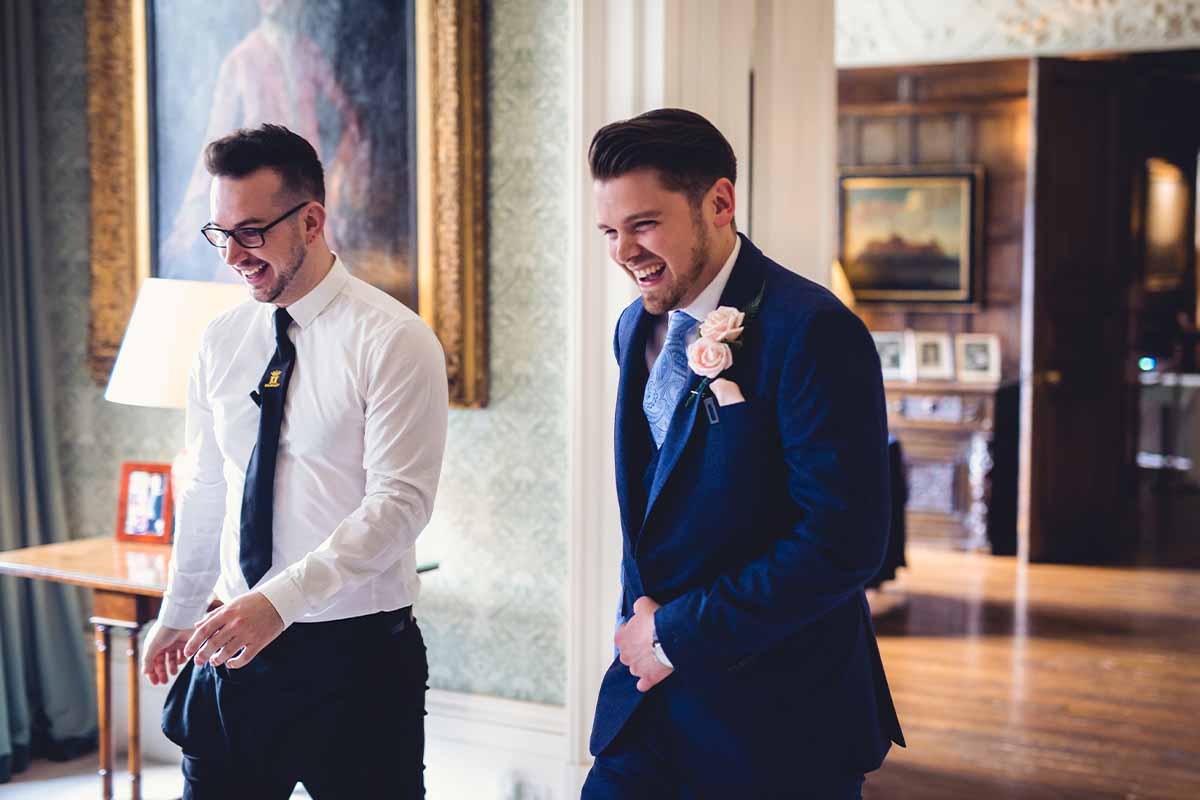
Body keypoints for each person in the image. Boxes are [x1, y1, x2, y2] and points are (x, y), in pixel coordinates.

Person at [583, 109, 904, 799]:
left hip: (777, 722)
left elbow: (843, 545)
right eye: (609, 231)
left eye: (643, 225)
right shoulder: (632, 327)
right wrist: (647, 641)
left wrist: (672, 635)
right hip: (644, 712)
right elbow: (664, 504)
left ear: (719, 203)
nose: (623, 252)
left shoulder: (814, 331)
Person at [140, 123, 447, 799]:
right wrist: (181, 608)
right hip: (233, 654)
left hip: (360, 663)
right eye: (220, 233)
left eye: (251, 232)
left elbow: (399, 505)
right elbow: (206, 484)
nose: (232, 255)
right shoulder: (220, 340)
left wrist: (279, 603)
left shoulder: (396, 341)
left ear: (311, 220)